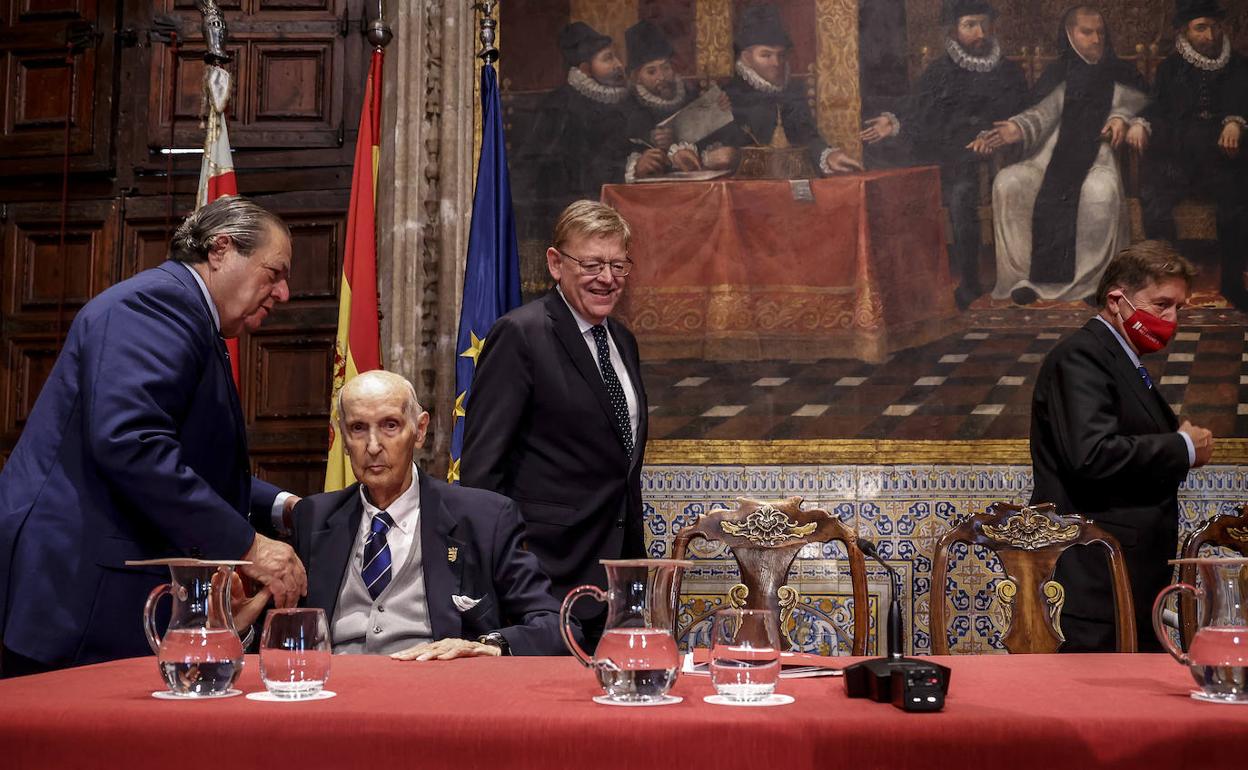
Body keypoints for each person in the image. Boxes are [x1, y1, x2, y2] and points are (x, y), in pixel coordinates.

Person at [0, 196, 306, 675]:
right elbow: (132, 443)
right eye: (275, 272)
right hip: (74, 594)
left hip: (92, 589)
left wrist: (281, 506)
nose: (283, 293)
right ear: (221, 249)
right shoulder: (158, 305)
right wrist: (249, 547)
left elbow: (185, 456)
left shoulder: (190, 317)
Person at [461, 200, 646, 648]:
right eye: (592, 264)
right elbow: (483, 472)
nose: (607, 278)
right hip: (546, 583)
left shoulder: (622, 339)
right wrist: (505, 572)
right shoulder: (520, 335)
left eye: (618, 264)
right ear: (555, 264)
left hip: (620, 584)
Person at [292, 371, 567, 659]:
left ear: (420, 430)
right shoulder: (313, 517)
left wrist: (490, 645)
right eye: (358, 428)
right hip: (334, 691)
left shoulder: (485, 518)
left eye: (390, 426)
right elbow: (276, 634)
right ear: (343, 437)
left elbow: (555, 626)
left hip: (435, 690)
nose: (373, 446)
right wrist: (243, 624)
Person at [1029, 241, 1213, 652]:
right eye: (1162, 304)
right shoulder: (1081, 356)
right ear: (1117, 299)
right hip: (1095, 578)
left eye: (1179, 308)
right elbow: (1091, 455)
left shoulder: (1119, 357)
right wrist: (1181, 447)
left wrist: (1172, 438)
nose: (1171, 319)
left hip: (1127, 576)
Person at [972, 5, 1148, 305]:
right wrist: (1018, 127)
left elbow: (1140, 103)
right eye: (1087, 32)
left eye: (1100, 33)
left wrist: (1125, 119)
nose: (1096, 40)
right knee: (1008, 182)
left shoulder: (1119, 72)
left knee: (1100, 192)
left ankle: (1095, 282)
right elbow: (1040, 114)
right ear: (1069, 34)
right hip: (1048, 157)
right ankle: (1022, 279)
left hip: (1098, 159)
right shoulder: (1057, 73)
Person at [861, 0, 1026, 309]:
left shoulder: (1008, 71)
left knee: (963, 193)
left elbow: (1017, 114)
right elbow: (920, 112)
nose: (980, 32)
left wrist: (991, 135)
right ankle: (912, 282)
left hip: (989, 157)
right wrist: (894, 123)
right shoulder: (939, 70)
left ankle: (970, 281)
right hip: (942, 153)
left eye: (983, 24)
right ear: (954, 30)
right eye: (969, 26)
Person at [1139, 0, 1248, 311]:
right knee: (1154, 198)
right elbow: (1157, 111)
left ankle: (1231, 283)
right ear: (1184, 32)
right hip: (1178, 160)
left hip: (1222, 160)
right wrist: (1140, 124)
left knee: (1237, 200)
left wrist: (1236, 121)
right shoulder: (1169, 69)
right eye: (1201, 28)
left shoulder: (1239, 66)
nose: (1210, 35)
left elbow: (1244, 102)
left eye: (1214, 26)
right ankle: (1168, 282)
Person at [515, 22, 661, 241]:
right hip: (566, 217)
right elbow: (574, 170)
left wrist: (645, 152)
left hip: (604, 206)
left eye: (617, 57)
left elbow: (617, 146)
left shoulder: (616, 101)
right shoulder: (560, 107)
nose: (619, 65)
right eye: (608, 58)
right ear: (585, 69)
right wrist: (630, 168)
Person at [709, 4, 861, 175]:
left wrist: (827, 156)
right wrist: (713, 156)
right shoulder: (726, 95)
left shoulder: (793, 91)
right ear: (747, 58)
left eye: (781, 55)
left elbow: (806, 136)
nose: (776, 63)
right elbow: (706, 146)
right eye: (766, 55)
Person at [624, 20, 736, 175]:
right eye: (651, 72)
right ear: (637, 77)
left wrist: (721, 110)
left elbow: (712, 139)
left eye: (666, 68)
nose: (661, 77)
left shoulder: (690, 95)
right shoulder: (629, 106)